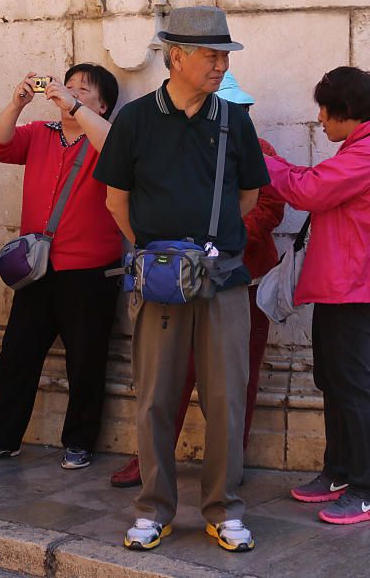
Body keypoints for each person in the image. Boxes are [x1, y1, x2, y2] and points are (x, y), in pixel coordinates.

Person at [94, 6, 269, 552]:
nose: (220, 65)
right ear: (176, 57)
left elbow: (250, 196)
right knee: (154, 398)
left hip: (225, 280)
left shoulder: (234, 120)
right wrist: (158, 251)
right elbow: (115, 199)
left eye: (224, 56)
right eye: (211, 56)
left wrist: (210, 245)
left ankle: (223, 508)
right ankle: (154, 510)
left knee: (227, 399)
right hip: (161, 280)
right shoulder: (135, 120)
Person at [110, 72, 285, 488]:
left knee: (233, 383)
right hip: (172, 282)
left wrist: (216, 245)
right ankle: (151, 463)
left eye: (242, 109)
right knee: (165, 380)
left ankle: (228, 469)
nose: (238, 115)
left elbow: (263, 206)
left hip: (236, 279)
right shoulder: (170, 140)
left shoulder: (257, 148)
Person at [264, 66, 370, 525]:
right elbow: (313, 182)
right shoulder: (360, 149)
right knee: (333, 380)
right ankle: (340, 472)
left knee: (352, 387)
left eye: (324, 110)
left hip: (354, 288)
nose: (319, 119)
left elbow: (309, 190)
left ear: (344, 110)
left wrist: (259, 159)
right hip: (341, 285)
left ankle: (369, 490)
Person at [0, 64, 123, 470]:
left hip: (90, 271)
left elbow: (121, 155)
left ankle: (80, 441)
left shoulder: (108, 137)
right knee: (17, 355)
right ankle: (1, 437)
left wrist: (77, 110)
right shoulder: (40, 135)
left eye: (82, 91)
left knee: (86, 360)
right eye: (66, 87)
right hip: (36, 270)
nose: (68, 94)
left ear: (103, 104)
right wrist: (17, 102)